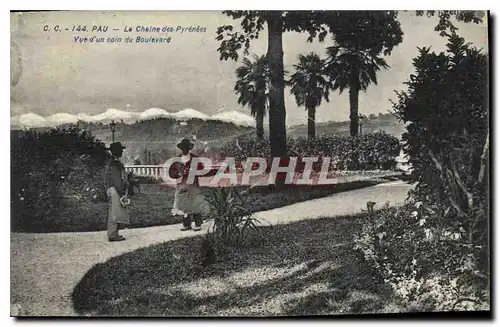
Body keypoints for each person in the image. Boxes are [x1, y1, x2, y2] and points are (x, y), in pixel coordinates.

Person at [169, 138, 216, 231]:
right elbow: (171, 172)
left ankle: (198, 224)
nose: (185, 149)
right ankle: (186, 224)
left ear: (189, 148)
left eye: (186, 147)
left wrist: (192, 171)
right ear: (181, 149)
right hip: (181, 185)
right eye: (183, 148)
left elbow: (201, 170)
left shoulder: (194, 158)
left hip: (193, 184)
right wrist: (178, 174)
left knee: (195, 203)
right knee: (183, 204)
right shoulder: (177, 159)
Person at [104, 142, 130, 242]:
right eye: (121, 150)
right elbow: (117, 180)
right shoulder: (114, 163)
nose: (122, 152)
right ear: (117, 151)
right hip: (115, 189)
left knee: (115, 210)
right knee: (115, 211)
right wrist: (122, 192)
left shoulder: (113, 162)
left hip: (112, 188)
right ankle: (112, 234)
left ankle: (114, 233)